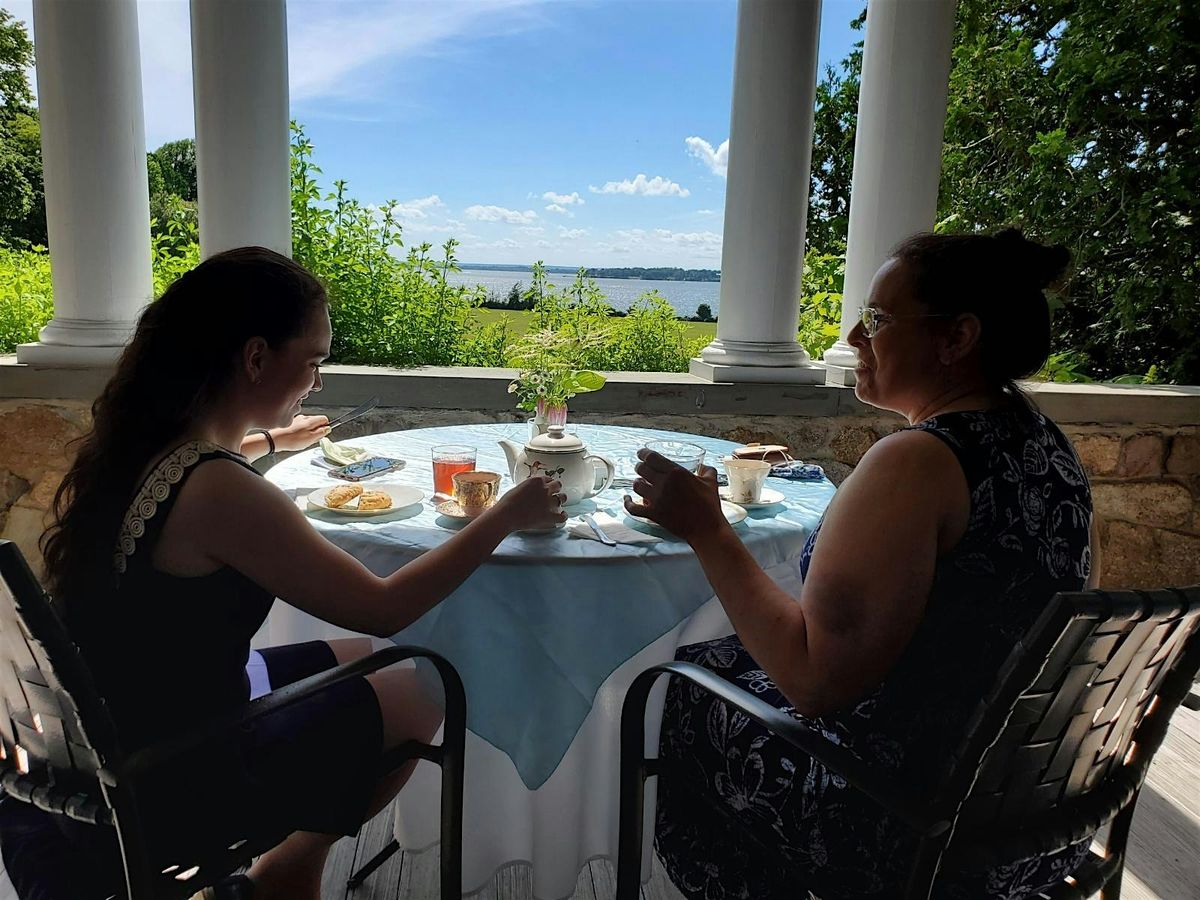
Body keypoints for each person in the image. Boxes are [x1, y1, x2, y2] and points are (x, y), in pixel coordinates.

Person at [25, 246, 566, 900]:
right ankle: (288, 868)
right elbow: (385, 606)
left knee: (380, 662)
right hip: (176, 773)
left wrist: (277, 441)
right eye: (311, 362)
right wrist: (505, 514)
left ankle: (288, 869)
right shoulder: (222, 492)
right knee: (424, 678)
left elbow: (222, 460)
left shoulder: (144, 448)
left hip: (122, 728)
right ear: (255, 358)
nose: (316, 381)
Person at [626, 229, 1097, 899]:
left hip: (913, 823)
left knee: (678, 684)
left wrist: (706, 528)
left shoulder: (918, 463)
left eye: (877, 319)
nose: (853, 337)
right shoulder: (1046, 445)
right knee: (720, 659)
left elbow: (815, 684)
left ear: (956, 339)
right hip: (1026, 804)